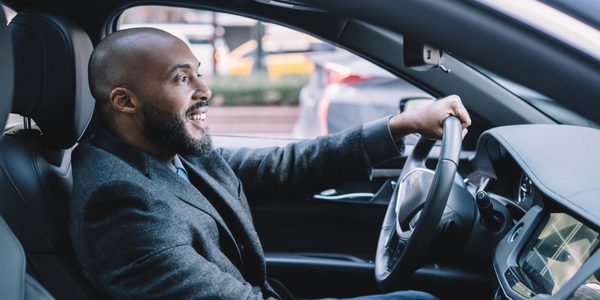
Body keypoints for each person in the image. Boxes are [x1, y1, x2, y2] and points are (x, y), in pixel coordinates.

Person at [69, 28, 471, 299]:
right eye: (181, 79)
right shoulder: (117, 202)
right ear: (124, 101)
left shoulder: (169, 151)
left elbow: (283, 165)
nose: (204, 90)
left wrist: (399, 127)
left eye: (198, 75)